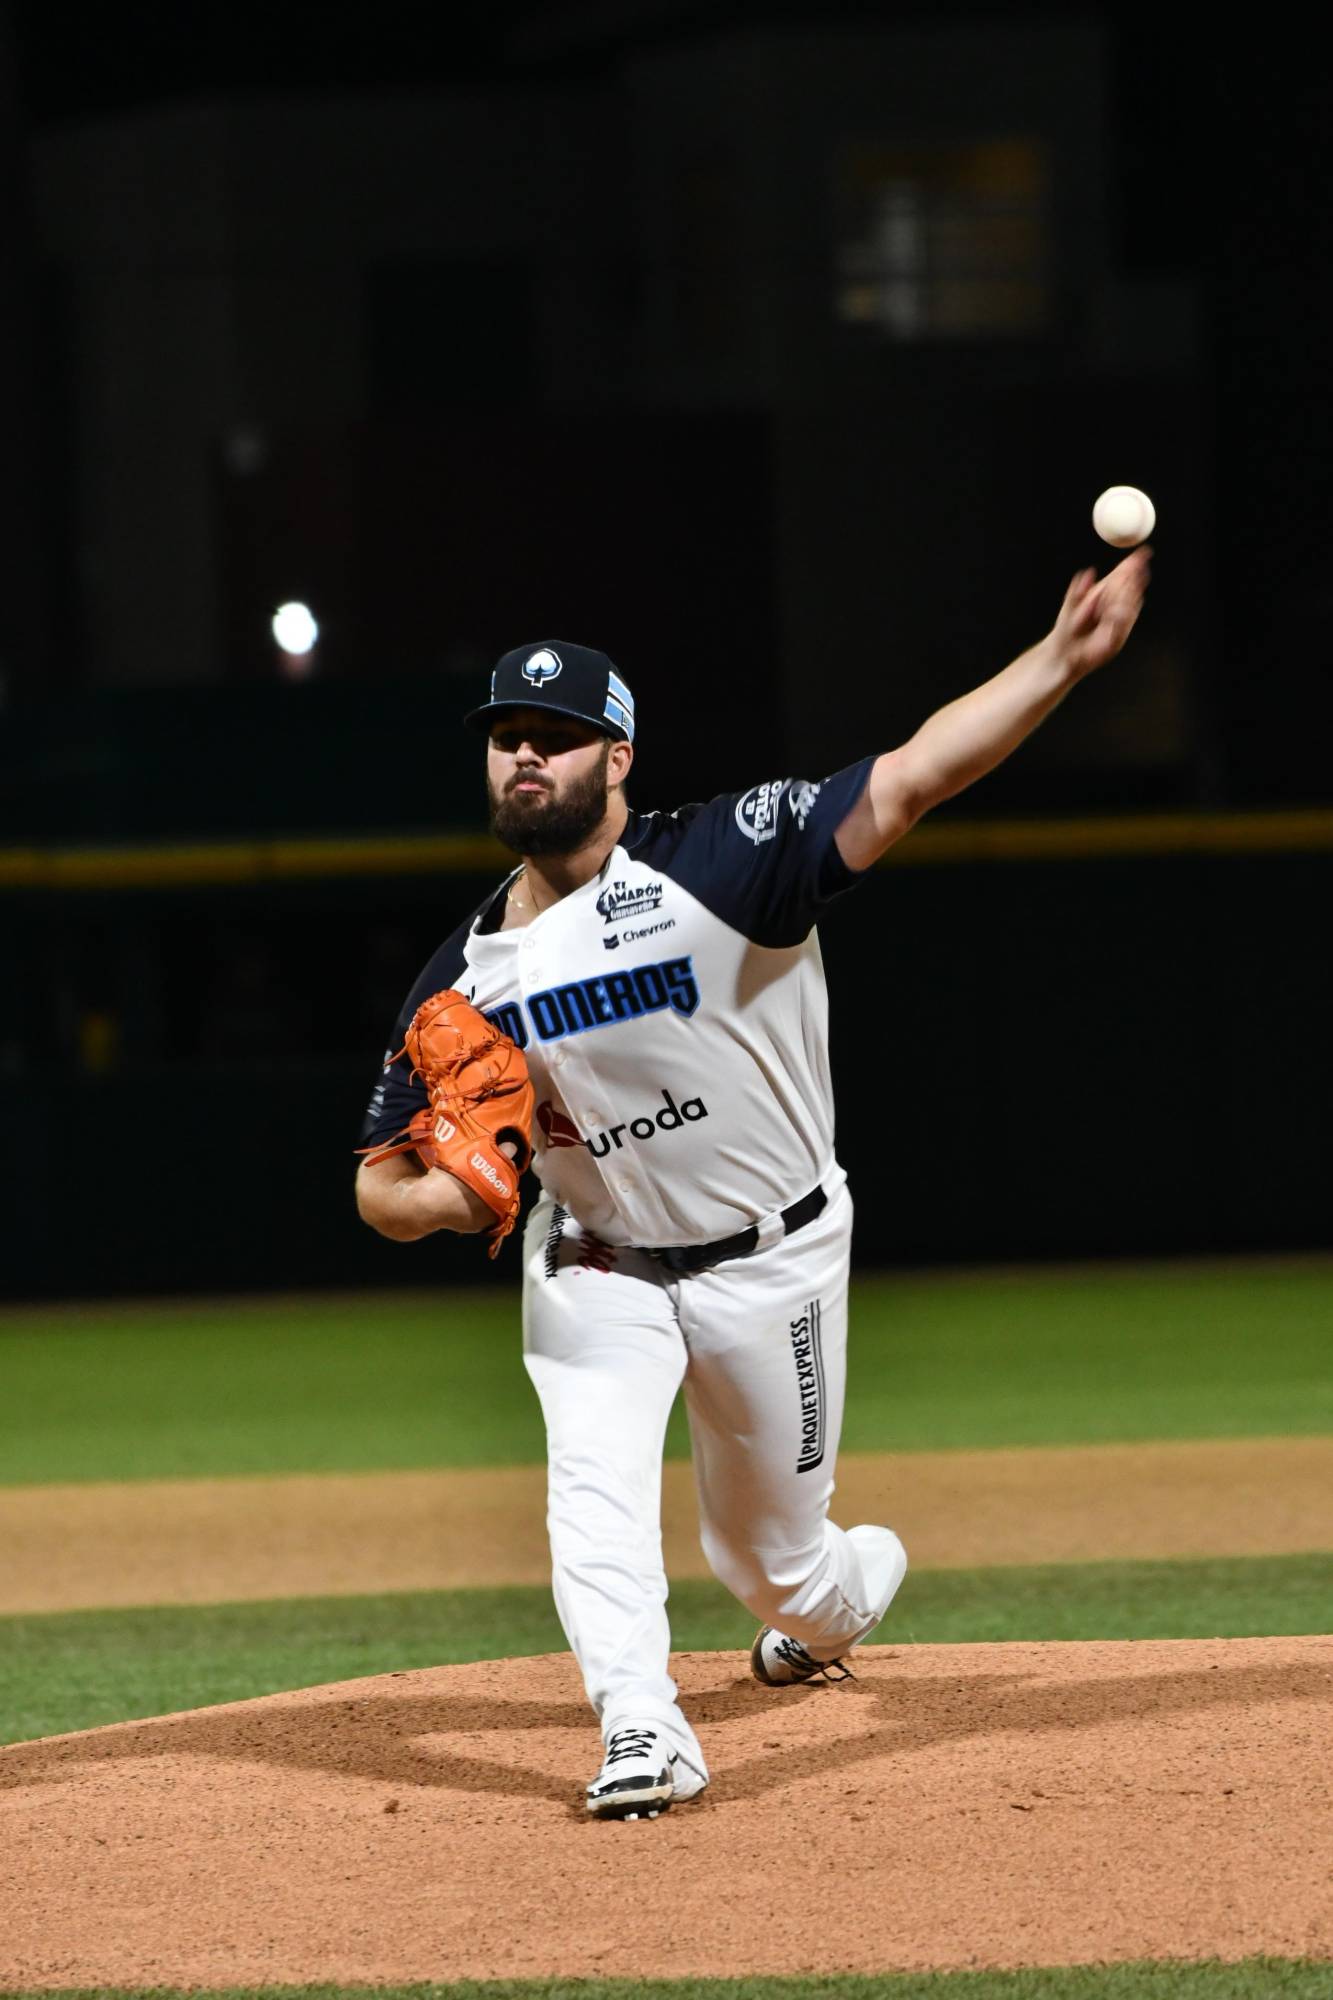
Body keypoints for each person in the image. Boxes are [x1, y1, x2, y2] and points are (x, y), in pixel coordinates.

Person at [355, 552, 1151, 1819]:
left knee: (775, 1566)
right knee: (591, 1480)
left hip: (771, 1256)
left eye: (557, 738)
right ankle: (640, 1724)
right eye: (509, 735)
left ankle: (833, 1604)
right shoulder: (466, 974)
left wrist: (1058, 662)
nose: (527, 758)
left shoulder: (725, 861)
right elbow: (380, 1185)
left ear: (617, 760)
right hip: (594, 1259)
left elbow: (915, 772)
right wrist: (456, 1196)